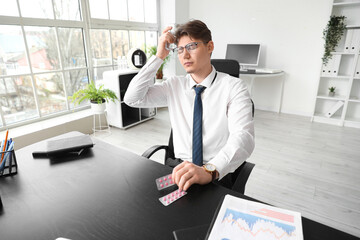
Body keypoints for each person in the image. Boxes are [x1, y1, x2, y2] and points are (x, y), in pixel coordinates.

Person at [124, 19, 254, 191]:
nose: (184, 55)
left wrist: (209, 171)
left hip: (215, 171)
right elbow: (132, 98)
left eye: (191, 46)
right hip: (178, 169)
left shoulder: (233, 87)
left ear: (209, 47)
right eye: (179, 50)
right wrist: (159, 56)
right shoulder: (174, 86)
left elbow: (243, 137)